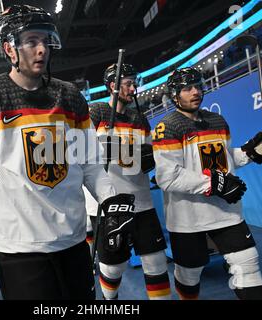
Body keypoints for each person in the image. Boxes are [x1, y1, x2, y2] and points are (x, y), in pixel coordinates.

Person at [0, 4, 135, 300]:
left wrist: (112, 204)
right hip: (19, 250)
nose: (42, 49)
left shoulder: (70, 96)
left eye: (46, 41)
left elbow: (91, 165)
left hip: (73, 242)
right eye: (32, 41)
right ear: (9, 48)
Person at [152, 67, 262, 300]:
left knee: (248, 266)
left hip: (226, 212)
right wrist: (215, 183)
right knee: (189, 276)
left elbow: (225, 159)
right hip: (188, 220)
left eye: (197, 86)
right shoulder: (168, 126)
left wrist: (253, 151)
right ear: (174, 95)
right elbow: (167, 176)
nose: (195, 92)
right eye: (187, 88)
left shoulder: (217, 120)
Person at [87, 63, 172, 300]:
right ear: (113, 86)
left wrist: (149, 158)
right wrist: (113, 149)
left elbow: (147, 153)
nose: (133, 88)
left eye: (134, 82)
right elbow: (81, 151)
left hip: (142, 202)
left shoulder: (140, 119)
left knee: (156, 263)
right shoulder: (96, 112)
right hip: (108, 204)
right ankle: (109, 301)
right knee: (114, 268)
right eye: (127, 83)